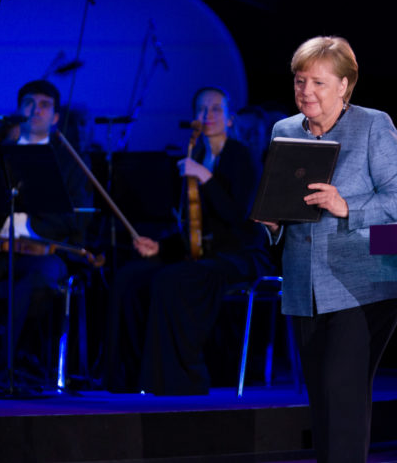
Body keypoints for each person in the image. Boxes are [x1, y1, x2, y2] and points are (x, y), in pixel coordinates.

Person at [258, 36, 397, 463]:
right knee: (324, 400)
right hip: (304, 287)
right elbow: (281, 205)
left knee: (341, 392)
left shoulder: (371, 125)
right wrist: (272, 223)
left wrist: (346, 206)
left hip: (364, 282)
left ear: (345, 86)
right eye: (299, 81)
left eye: (318, 83)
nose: (305, 91)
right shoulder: (284, 130)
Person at [103, 86, 276, 395]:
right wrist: (160, 246)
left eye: (215, 110)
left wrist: (205, 178)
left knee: (172, 279)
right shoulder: (195, 156)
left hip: (240, 256)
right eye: (201, 109)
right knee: (129, 279)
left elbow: (240, 217)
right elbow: (191, 227)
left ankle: (179, 379)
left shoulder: (241, 157)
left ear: (230, 120)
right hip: (201, 255)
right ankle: (127, 378)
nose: (207, 116)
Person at [0, 79, 92, 389]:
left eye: (44, 105)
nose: (35, 110)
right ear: (17, 110)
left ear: (55, 118)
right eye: (28, 103)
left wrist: (33, 228)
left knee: (33, 280)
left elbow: (76, 220)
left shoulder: (70, 161)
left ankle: (7, 368)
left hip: (46, 252)